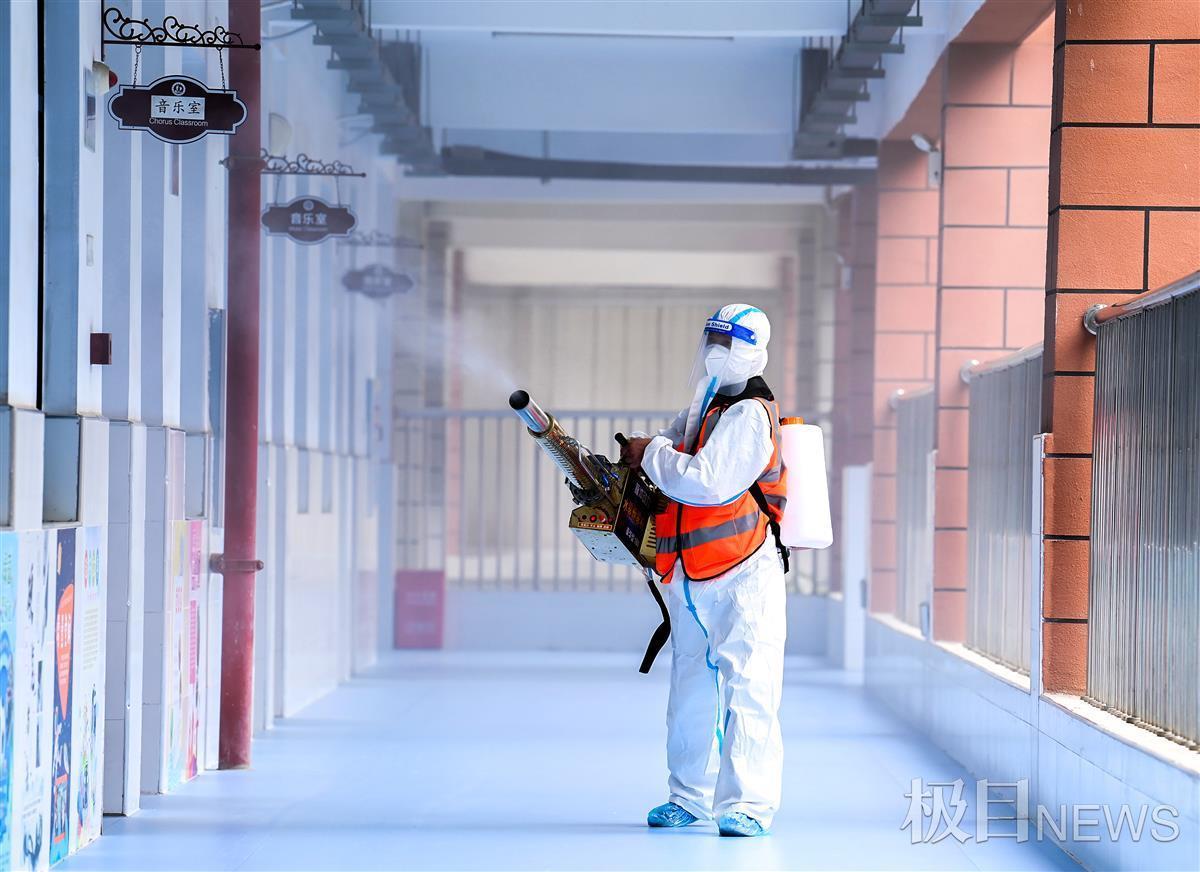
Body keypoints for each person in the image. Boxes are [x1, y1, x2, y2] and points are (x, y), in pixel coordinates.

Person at [620, 303, 788, 838]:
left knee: (749, 686)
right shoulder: (707, 403)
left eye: (729, 344)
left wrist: (651, 454)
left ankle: (748, 805)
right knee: (690, 689)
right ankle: (687, 797)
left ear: (755, 353)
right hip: (691, 575)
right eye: (713, 341)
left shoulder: (750, 415)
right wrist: (644, 450)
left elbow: (706, 482)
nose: (718, 353)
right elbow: (671, 445)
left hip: (743, 575)